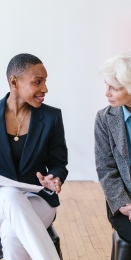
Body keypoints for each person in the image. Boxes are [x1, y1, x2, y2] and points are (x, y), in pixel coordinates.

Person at [0, 53, 68, 259]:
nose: (45, 89)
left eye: (45, 82)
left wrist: (54, 178)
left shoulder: (51, 117)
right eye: (37, 82)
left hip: (37, 200)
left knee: (12, 232)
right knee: (11, 195)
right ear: (14, 81)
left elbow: (59, 165)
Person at [95, 51, 131, 243]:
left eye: (114, 88)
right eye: (106, 85)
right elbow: (105, 168)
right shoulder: (104, 119)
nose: (107, 93)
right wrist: (123, 203)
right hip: (124, 199)